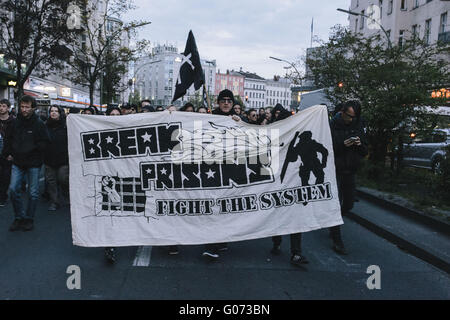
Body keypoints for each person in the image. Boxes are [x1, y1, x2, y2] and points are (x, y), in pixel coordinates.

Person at [269, 103, 309, 267]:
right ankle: (277, 241)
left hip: (294, 183)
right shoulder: (272, 139)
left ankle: (296, 252)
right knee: (278, 215)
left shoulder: (298, 141)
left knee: (295, 217)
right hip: (277, 184)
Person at [3, 95, 50, 231]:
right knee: (13, 190)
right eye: (22, 106)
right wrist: (8, 153)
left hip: (33, 163)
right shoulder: (15, 122)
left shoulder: (39, 123)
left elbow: (45, 142)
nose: (24, 109)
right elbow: (8, 139)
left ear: (33, 108)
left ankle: (29, 219)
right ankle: (19, 217)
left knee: (33, 193)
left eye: (27, 107)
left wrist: (35, 151)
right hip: (17, 162)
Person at [329, 100, 368, 255]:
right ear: (342, 112)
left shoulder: (357, 125)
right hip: (335, 169)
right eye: (348, 116)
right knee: (336, 204)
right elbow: (327, 148)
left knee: (349, 204)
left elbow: (364, 151)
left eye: (353, 117)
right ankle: (337, 238)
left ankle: (333, 225)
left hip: (350, 169)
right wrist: (342, 145)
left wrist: (358, 144)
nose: (350, 120)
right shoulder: (332, 125)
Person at [44, 106, 69, 212]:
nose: (53, 113)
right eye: (52, 111)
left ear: (60, 113)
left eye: (56, 111)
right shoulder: (45, 125)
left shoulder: (65, 125)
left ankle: (66, 194)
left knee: (63, 179)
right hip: (49, 158)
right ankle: (54, 202)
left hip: (62, 158)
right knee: (51, 182)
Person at [0, 99, 14, 206]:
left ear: (8, 108)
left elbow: (16, 138)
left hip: (7, 154)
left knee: (5, 176)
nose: (1, 108)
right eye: (0, 106)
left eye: (4, 106)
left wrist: (12, 153)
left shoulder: (13, 122)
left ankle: (3, 196)